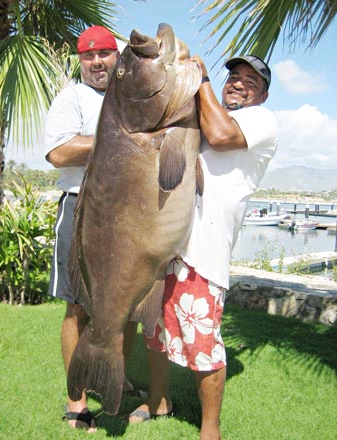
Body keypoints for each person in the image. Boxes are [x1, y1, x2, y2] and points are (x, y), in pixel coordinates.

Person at [128, 54, 278, 440]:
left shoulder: (260, 120)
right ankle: (160, 400)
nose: (238, 83)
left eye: (251, 81)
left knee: (203, 344)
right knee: (154, 330)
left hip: (204, 250)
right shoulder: (205, 111)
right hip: (165, 238)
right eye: (234, 77)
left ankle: (210, 429)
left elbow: (222, 136)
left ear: (262, 95)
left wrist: (205, 77)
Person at [44, 25, 139, 432]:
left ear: (117, 57)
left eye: (104, 54)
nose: (97, 62)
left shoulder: (134, 95)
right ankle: (76, 398)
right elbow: (58, 152)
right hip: (82, 210)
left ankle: (115, 377)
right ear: (81, 61)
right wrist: (113, 134)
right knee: (78, 306)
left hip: (130, 214)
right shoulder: (72, 97)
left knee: (129, 306)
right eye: (89, 55)